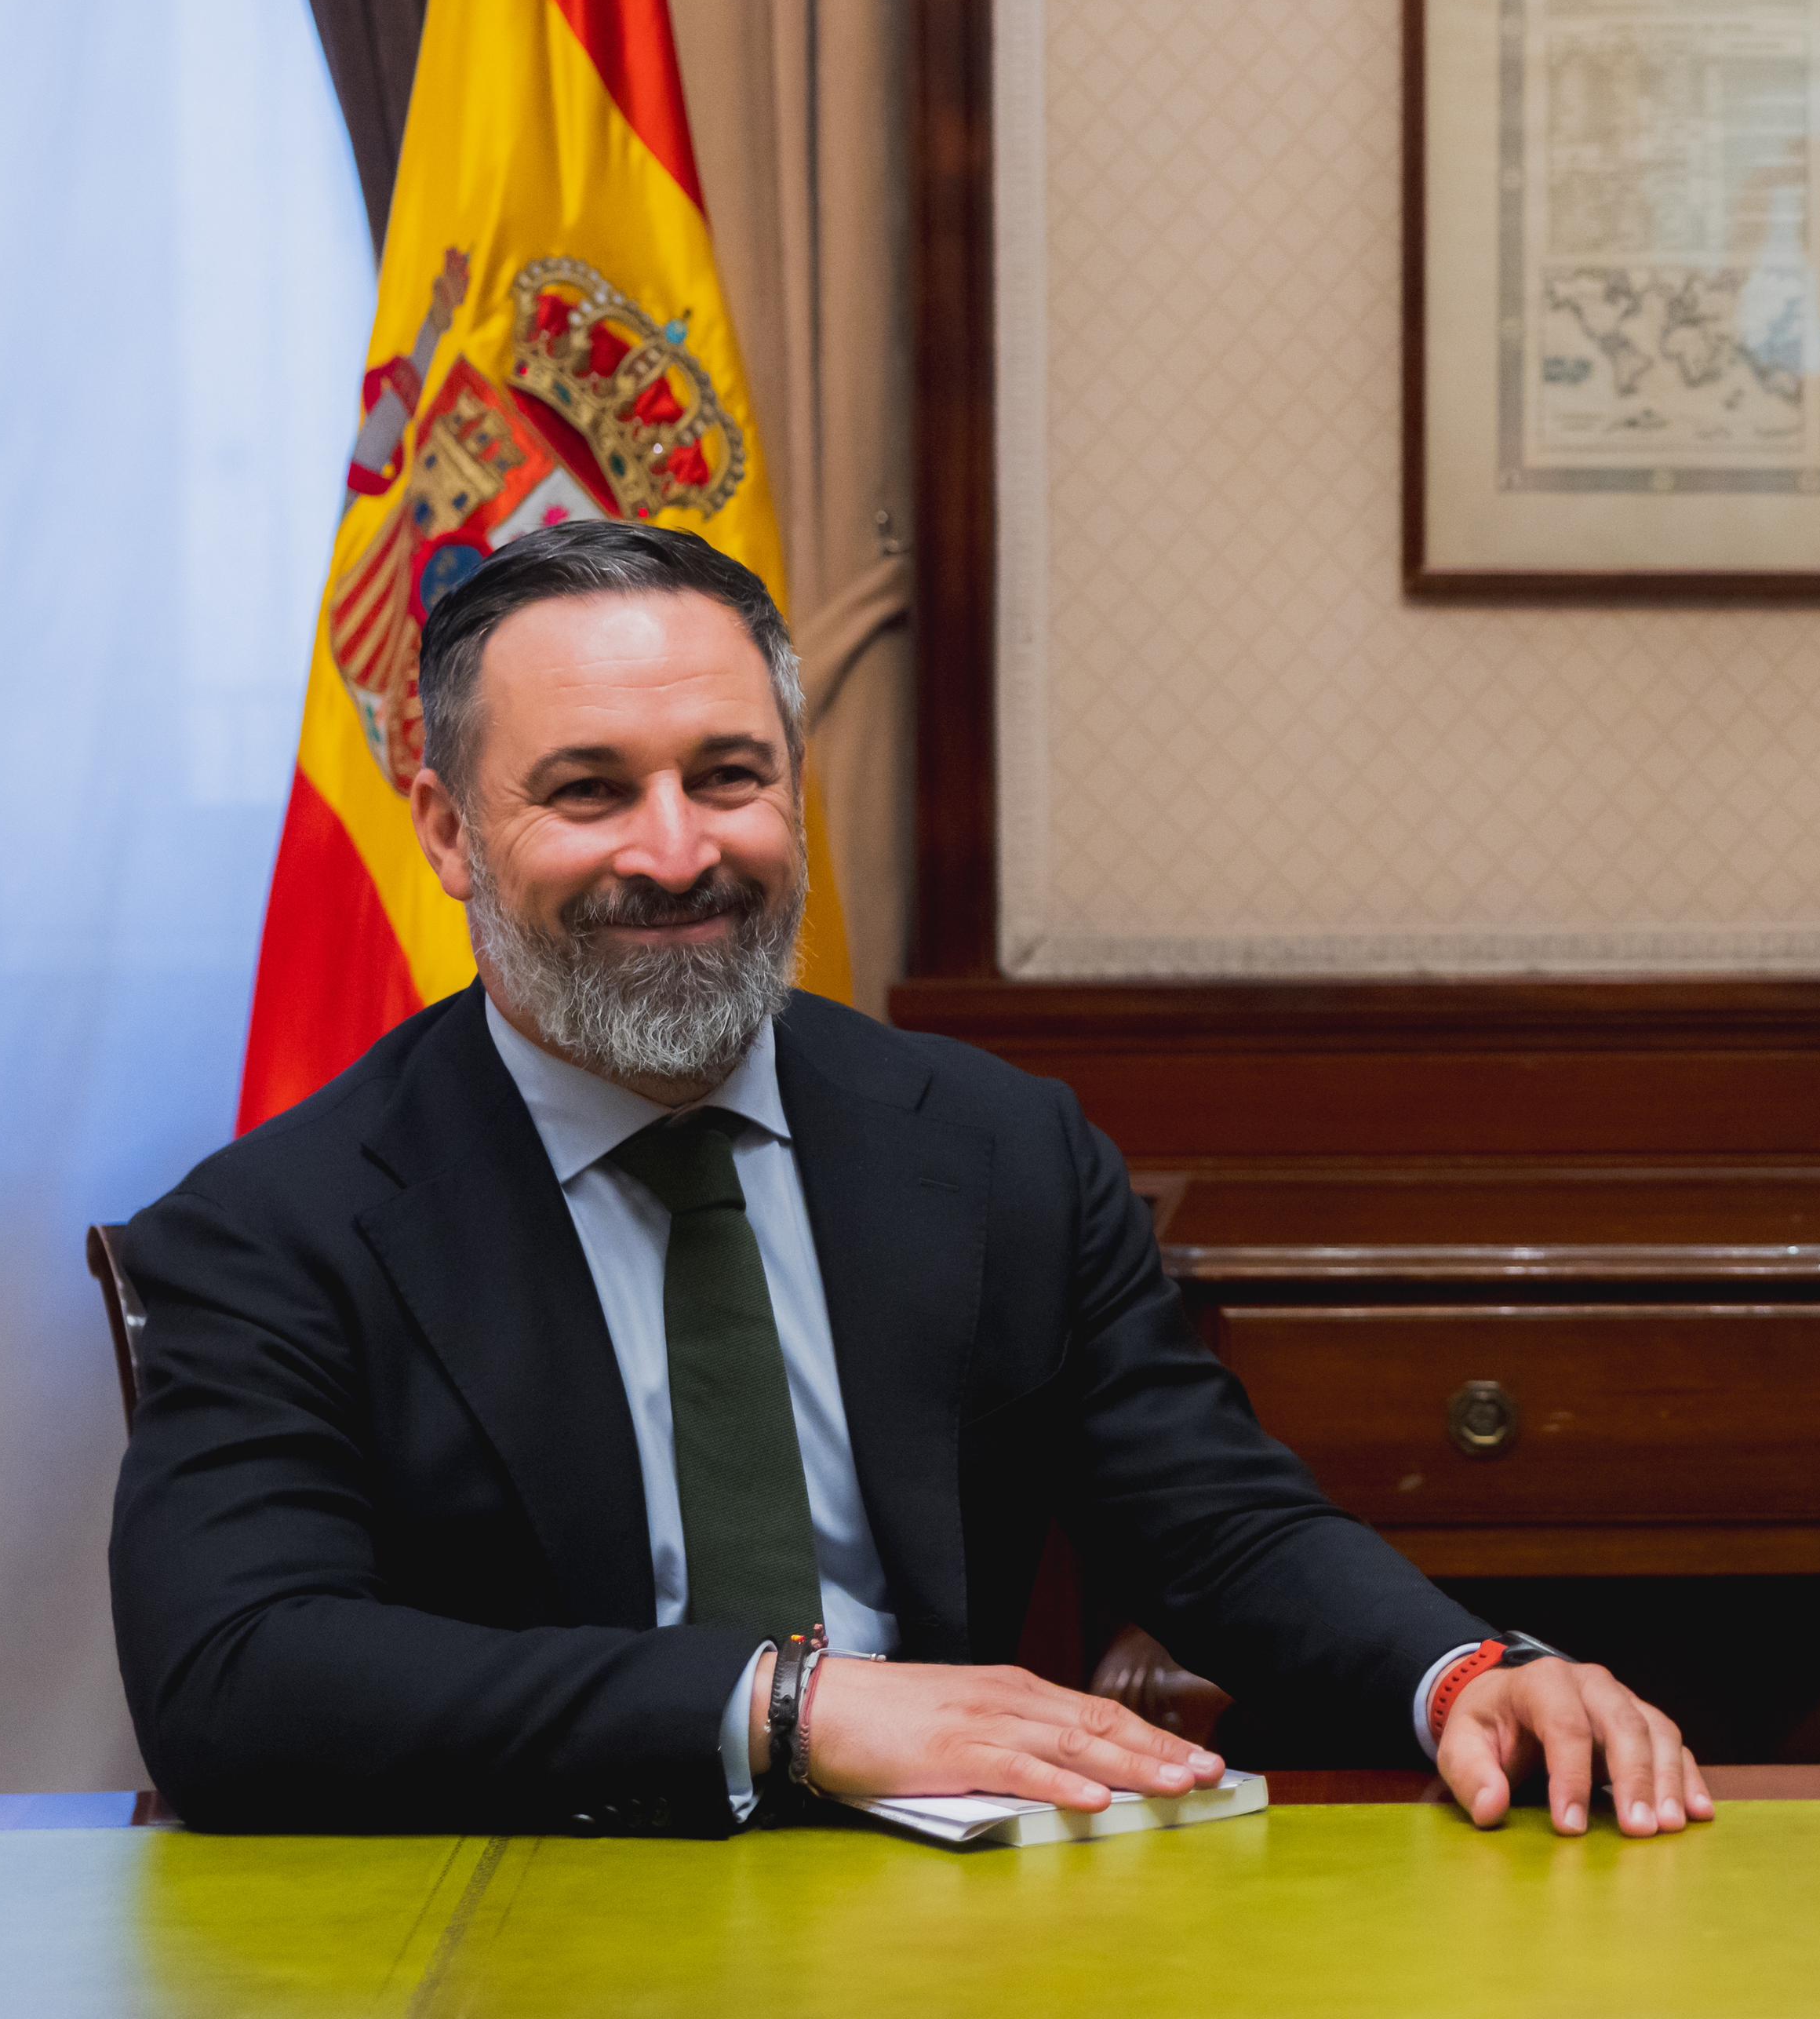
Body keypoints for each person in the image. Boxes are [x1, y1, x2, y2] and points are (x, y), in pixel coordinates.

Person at [113, 521, 1712, 1838]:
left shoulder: (998, 1146)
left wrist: (1460, 1667)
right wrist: (784, 1707)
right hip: (524, 1899)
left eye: (728, 774)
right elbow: (239, 1676)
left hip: (965, 1916)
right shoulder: (277, 1230)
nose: (678, 852)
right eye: (590, 789)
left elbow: (1211, 1527)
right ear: (449, 828)